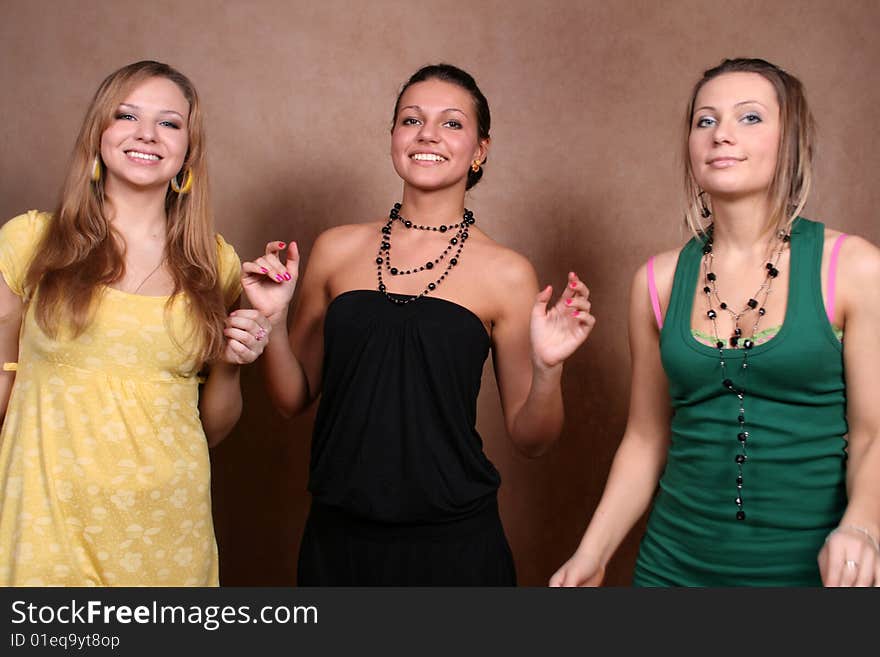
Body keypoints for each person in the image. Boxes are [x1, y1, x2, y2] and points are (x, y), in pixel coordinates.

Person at [243, 63, 595, 585]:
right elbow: (292, 398)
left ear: (480, 149)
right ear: (393, 137)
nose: (427, 134)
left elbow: (532, 438)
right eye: (411, 119)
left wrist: (547, 370)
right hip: (337, 542)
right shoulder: (336, 248)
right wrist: (270, 324)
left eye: (451, 123)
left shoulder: (507, 272)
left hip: (455, 546)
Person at [551, 58, 880, 587]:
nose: (721, 134)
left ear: (789, 140)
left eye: (749, 118)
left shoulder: (854, 268)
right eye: (705, 121)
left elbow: (873, 435)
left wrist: (864, 527)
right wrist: (593, 552)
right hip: (672, 568)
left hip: (811, 571)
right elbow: (645, 437)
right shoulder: (655, 282)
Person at [0, 60, 270, 586]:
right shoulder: (29, 242)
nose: (146, 134)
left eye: (169, 123)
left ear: (188, 150)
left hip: (168, 531)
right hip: (46, 527)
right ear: (99, 133)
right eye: (126, 115)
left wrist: (236, 363)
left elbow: (210, 427)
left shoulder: (217, 265)